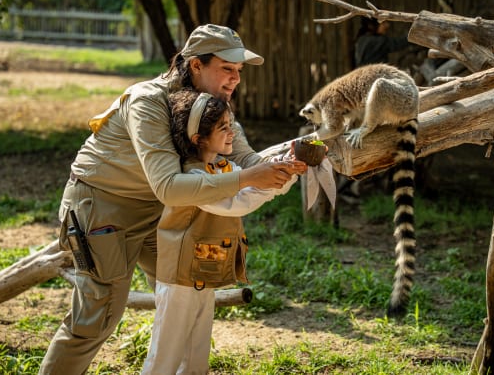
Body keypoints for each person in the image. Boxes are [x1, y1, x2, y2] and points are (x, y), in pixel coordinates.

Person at [41, 24, 306, 374]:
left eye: (238, 71)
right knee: (97, 317)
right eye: (227, 68)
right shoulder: (147, 101)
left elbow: (247, 158)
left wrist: (285, 166)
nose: (235, 79)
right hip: (103, 205)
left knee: (186, 296)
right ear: (195, 65)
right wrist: (246, 179)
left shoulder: (214, 105)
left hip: (159, 208)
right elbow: (169, 184)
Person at [142, 91, 295, 374]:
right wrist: (265, 178)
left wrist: (287, 172)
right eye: (223, 127)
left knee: (196, 351)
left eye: (231, 124)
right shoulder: (192, 177)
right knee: (166, 353)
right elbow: (234, 203)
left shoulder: (225, 168)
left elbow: (253, 188)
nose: (231, 133)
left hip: (204, 270)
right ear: (198, 138)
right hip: (179, 275)